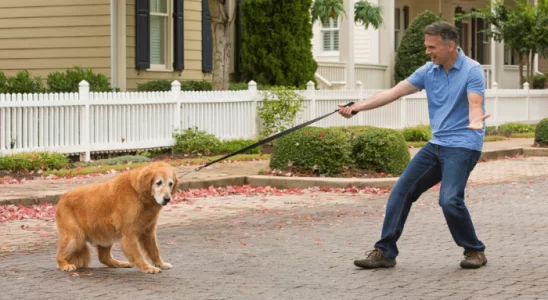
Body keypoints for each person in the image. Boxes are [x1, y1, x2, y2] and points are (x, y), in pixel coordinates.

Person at [338, 21, 491, 269]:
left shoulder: (472, 70)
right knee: (401, 191)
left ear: (450, 45)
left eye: (433, 47)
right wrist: (357, 107)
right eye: (426, 47)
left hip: (463, 144)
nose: (428, 52)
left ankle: (474, 250)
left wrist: (476, 120)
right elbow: (393, 92)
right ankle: (385, 252)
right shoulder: (428, 71)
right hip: (437, 144)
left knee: (449, 199)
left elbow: (475, 103)